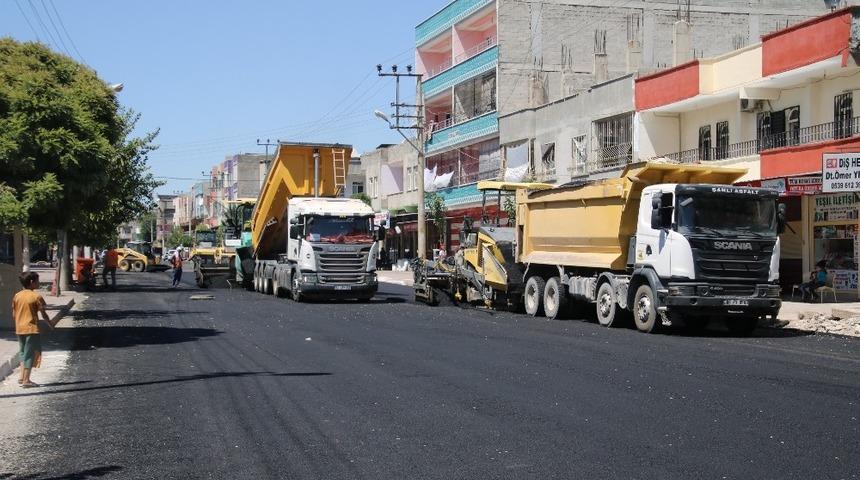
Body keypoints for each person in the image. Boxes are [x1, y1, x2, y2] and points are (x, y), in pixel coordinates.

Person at [13, 272, 57, 388]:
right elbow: (44, 314)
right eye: (37, 281)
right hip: (31, 328)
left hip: (19, 328)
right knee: (30, 354)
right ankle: (26, 380)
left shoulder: (17, 295)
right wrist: (50, 324)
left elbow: (14, 313)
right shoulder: (36, 296)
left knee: (23, 352)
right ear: (32, 282)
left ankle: (22, 377)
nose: (39, 283)